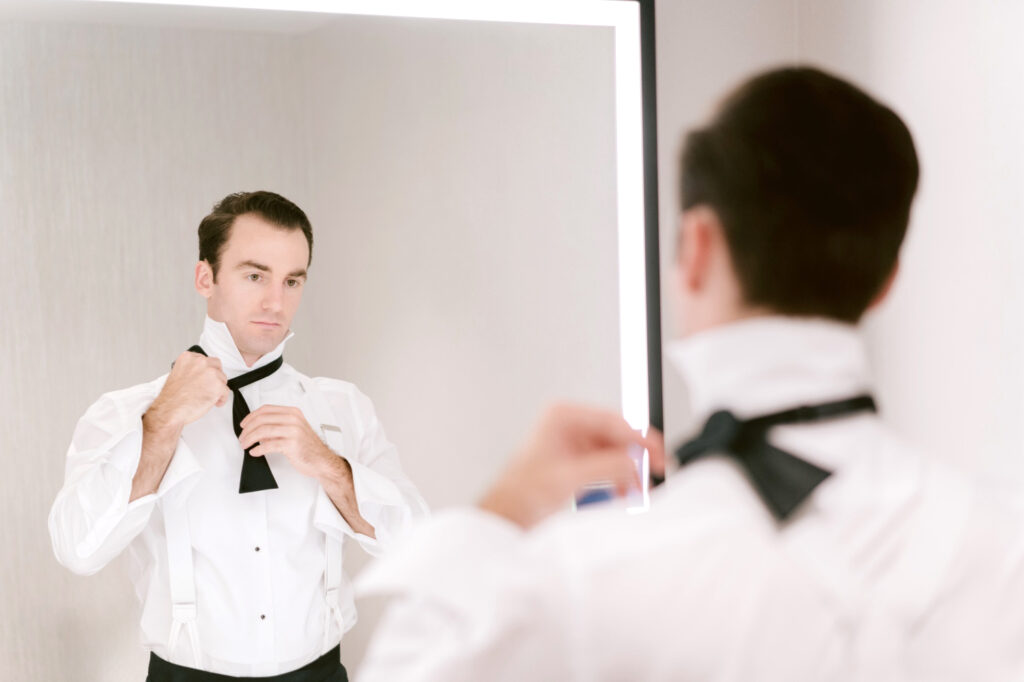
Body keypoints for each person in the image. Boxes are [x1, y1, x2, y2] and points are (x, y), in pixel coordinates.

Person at [352, 67, 1024, 681]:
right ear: (887, 283)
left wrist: (500, 514)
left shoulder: (584, 579)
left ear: (697, 246)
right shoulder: (1000, 544)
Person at [49, 191, 428, 681]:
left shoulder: (342, 409)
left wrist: (328, 465)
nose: (276, 301)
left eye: (293, 280)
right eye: (255, 275)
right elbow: (78, 549)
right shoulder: (131, 412)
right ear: (205, 278)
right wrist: (161, 424)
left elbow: (416, 544)